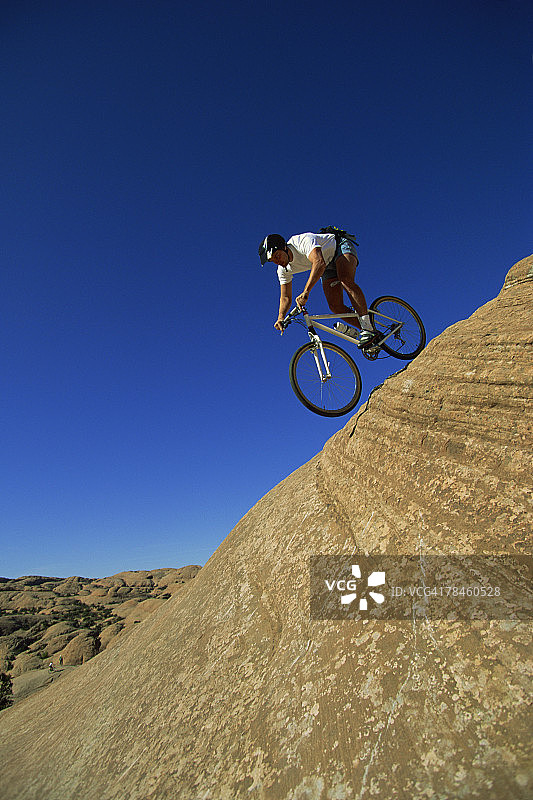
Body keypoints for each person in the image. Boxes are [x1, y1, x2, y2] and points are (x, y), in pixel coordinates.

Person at [258, 230, 376, 346]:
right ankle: (371, 332)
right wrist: (281, 318)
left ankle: (367, 327)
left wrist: (306, 291)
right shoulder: (283, 270)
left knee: (345, 280)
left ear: (283, 247)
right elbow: (285, 297)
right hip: (327, 266)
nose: (278, 262)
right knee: (335, 306)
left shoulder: (301, 241)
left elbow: (319, 262)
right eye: (273, 261)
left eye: (277, 256)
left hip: (339, 248)